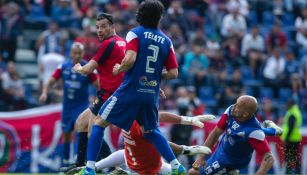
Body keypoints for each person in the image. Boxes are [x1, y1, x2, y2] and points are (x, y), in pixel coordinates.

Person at [73, 1, 185, 174]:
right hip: (150, 94)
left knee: (98, 123)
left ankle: (89, 169)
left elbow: (130, 58)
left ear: (140, 15)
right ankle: (177, 166)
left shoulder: (135, 33)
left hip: (130, 91)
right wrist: (155, 74)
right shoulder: (166, 40)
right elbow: (174, 73)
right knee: (150, 131)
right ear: (159, 17)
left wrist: (121, 68)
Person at [61, 12, 126, 171]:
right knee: (81, 122)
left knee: (93, 132)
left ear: (112, 26)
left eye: (103, 26)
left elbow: (88, 69)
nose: (99, 30)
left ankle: (114, 170)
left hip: (110, 94)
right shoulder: (122, 43)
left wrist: (78, 68)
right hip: (108, 94)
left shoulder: (108, 44)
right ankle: (80, 164)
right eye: (97, 27)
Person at [67, 112, 215, 175]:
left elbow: (159, 115)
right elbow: (163, 143)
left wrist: (186, 119)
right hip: (144, 169)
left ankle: (92, 168)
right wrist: (186, 150)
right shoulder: (142, 126)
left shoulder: (128, 117)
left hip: (141, 162)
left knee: (125, 153)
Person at [39, 42, 99, 166]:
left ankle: (79, 160)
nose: (77, 55)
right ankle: (66, 161)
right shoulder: (63, 67)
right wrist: (44, 93)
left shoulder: (87, 68)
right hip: (67, 107)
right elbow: (50, 81)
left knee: (80, 132)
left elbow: (99, 86)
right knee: (66, 133)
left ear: (83, 54)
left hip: (81, 105)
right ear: (70, 53)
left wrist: (97, 101)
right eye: (75, 53)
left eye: (79, 53)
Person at [190, 95, 275, 175]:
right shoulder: (231, 111)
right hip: (221, 150)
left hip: (229, 162)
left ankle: (230, 171)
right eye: (236, 103)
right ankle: (273, 130)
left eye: (238, 106)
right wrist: (201, 157)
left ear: (245, 114)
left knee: (192, 173)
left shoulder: (254, 132)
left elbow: (269, 158)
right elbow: (215, 133)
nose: (233, 107)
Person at [281, 98, 302, 174]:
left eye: (288, 104)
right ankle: (298, 172)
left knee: (289, 157)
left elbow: (291, 127)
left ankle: (288, 172)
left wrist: (286, 138)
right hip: (295, 138)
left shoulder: (292, 113)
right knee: (295, 157)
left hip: (291, 139)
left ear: (291, 104)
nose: (286, 105)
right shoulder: (296, 111)